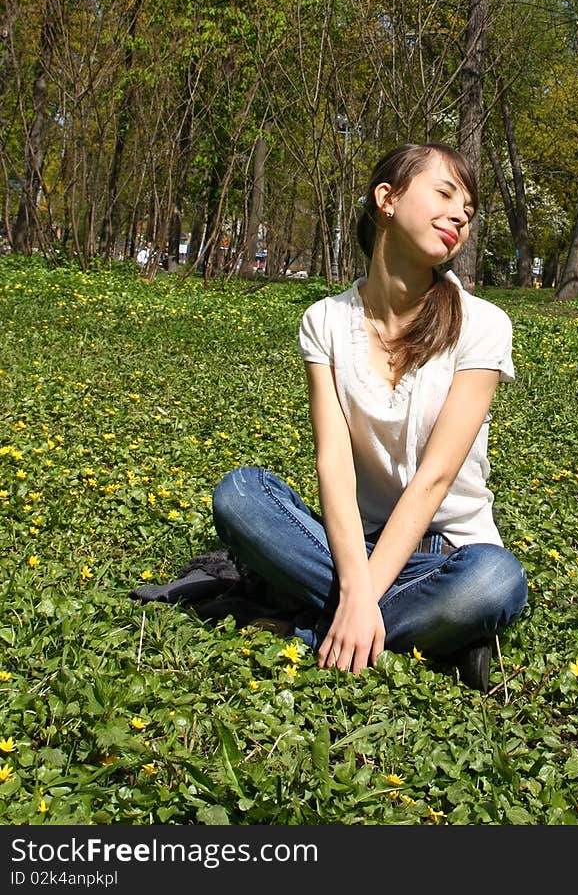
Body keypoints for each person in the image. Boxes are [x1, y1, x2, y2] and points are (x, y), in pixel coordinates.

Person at [211, 141, 528, 692]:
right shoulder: (324, 321)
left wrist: (359, 595)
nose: (460, 216)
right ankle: (422, 632)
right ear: (387, 198)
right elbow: (333, 461)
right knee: (240, 494)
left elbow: (435, 477)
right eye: (445, 193)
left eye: (469, 213)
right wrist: (358, 580)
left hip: (451, 551)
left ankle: (311, 624)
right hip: (355, 544)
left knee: (496, 581)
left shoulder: (483, 324)